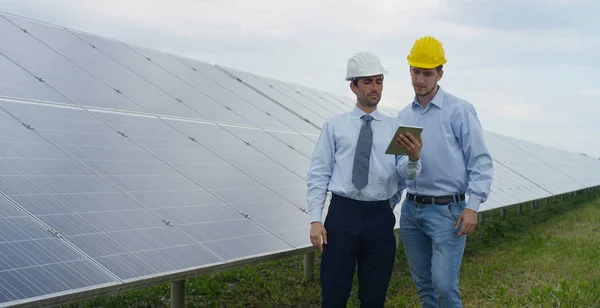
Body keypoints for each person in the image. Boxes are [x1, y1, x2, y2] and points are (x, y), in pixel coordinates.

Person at [306, 51, 423, 308]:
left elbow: (404, 175)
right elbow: (318, 173)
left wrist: (414, 159)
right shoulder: (335, 126)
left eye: (379, 81)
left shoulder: (396, 127)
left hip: (380, 218)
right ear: (353, 86)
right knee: (334, 294)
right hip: (342, 215)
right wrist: (316, 219)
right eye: (368, 82)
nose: (375, 88)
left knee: (374, 296)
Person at [397, 36, 494, 308]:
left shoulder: (459, 111)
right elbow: (400, 170)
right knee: (424, 287)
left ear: (440, 73)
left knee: (444, 288)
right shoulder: (404, 116)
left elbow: (481, 161)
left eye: (427, 73)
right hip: (412, 210)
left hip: (447, 211)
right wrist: (413, 160)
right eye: (415, 72)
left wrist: (473, 206)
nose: (419, 79)